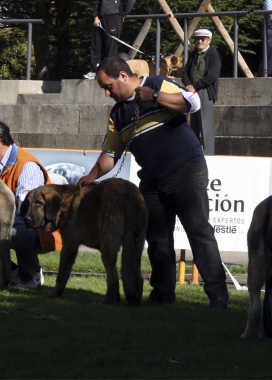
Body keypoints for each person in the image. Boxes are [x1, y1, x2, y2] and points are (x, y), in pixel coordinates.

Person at [79, 57, 229, 308]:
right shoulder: (117, 113)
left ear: (123, 77)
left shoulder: (157, 82)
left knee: (198, 231)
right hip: (151, 179)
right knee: (158, 239)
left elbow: (193, 102)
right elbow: (111, 153)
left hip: (186, 170)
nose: (106, 93)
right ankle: (162, 295)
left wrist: (155, 95)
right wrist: (91, 177)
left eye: (108, 86)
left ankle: (218, 296)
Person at [0, 118, 57, 288]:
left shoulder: (27, 165)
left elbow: (27, 213)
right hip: (0, 222)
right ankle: (8, 275)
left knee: (19, 231)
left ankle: (30, 276)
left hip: (34, 227)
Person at [83, 0, 136, 80]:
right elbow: (97, 1)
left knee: (110, 46)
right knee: (96, 44)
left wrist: (122, 14)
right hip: (100, 19)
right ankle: (93, 70)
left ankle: (108, 72)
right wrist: (96, 16)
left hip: (114, 18)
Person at [181, 28, 221, 156]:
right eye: (198, 39)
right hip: (192, 92)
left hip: (205, 92)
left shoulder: (214, 55)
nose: (199, 41)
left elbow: (212, 76)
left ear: (209, 40)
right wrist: (188, 85)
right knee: (193, 124)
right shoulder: (193, 54)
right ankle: (193, 154)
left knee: (206, 125)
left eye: (203, 39)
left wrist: (195, 86)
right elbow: (185, 72)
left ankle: (209, 155)